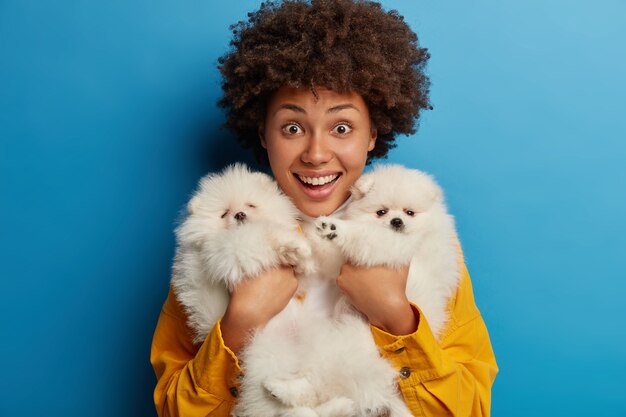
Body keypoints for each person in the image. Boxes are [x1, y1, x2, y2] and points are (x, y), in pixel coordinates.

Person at [150, 1, 498, 416]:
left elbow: (472, 407)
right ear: (264, 134)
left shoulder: (423, 240)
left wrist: (397, 319)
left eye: (342, 128)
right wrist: (239, 324)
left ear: (373, 135)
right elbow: (174, 409)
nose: (316, 154)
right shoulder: (214, 237)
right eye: (293, 128)